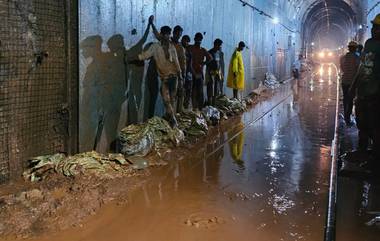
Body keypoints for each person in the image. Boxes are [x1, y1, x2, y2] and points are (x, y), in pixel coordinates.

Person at [136, 26, 182, 127]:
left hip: (174, 77)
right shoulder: (155, 47)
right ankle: (173, 120)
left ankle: (172, 120)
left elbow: (177, 63)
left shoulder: (171, 47)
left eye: (168, 34)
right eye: (165, 34)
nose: (167, 36)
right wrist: (132, 57)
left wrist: (181, 78)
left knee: (171, 101)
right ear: (162, 35)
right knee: (166, 101)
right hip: (165, 79)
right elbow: (144, 56)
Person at [350, 14, 380, 163]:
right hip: (363, 92)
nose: (374, 30)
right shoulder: (368, 43)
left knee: (375, 125)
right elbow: (362, 66)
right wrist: (354, 85)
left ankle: (374, 156)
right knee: (362, 122)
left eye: (378, 27)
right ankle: (362, 151)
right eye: (374, 27)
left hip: (375, 94)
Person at [188, 33, 213, 110]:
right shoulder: (190, 48)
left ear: (201, 40)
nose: (198, 41)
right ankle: (194, 107)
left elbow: (210, 58)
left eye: (200, 40)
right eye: (197, 39)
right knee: (192, 91)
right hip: (190, 73)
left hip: (199, 73)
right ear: (195, 39)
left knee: (200, 91)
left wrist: (203, 64)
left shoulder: (202, 50)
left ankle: (200, 108)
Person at [340, 41, 360, 125]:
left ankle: (345, 115)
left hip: (344, 81)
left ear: (349, 48)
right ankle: (347, 118)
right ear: (355, 49)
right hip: (352, 82)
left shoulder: (343, 57)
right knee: (350, 99)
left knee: (345, 98)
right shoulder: (357, 58)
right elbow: (358, 70)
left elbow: (342, 68)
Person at [171, 25, 186, 113]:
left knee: (179, 95)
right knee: (172, 97)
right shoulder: (168, 43)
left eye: (180, 35)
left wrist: (182, 75)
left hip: (178, 74)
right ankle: (171, 116)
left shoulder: (181, 47)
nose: (178, 36)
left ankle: (178, 114)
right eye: (177, 34)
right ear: (174, 33)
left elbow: (183, 63)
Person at [206, 38, 225, 105]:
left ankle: (214, 105)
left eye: (220, 46)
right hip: (211, 74)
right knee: (210, 90)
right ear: (215, 45)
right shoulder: (209, 52)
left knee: (216, 90)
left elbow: (220, 64)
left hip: (217, 74)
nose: (220, 47)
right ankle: (209, 104)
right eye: (219, 45)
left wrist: (221, 74)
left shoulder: (219, 53)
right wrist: (210, 72)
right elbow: (207, 63)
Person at [182, 35, 194, 110]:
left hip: (188, 75)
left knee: (188, 92)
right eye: (185, 41)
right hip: (181, 74)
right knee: (180, 93)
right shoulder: (178, 49)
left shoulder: (189, 52)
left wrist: (192, 74)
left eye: (188, 42)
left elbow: (190, 64)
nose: (186, 43)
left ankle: (185, 108)